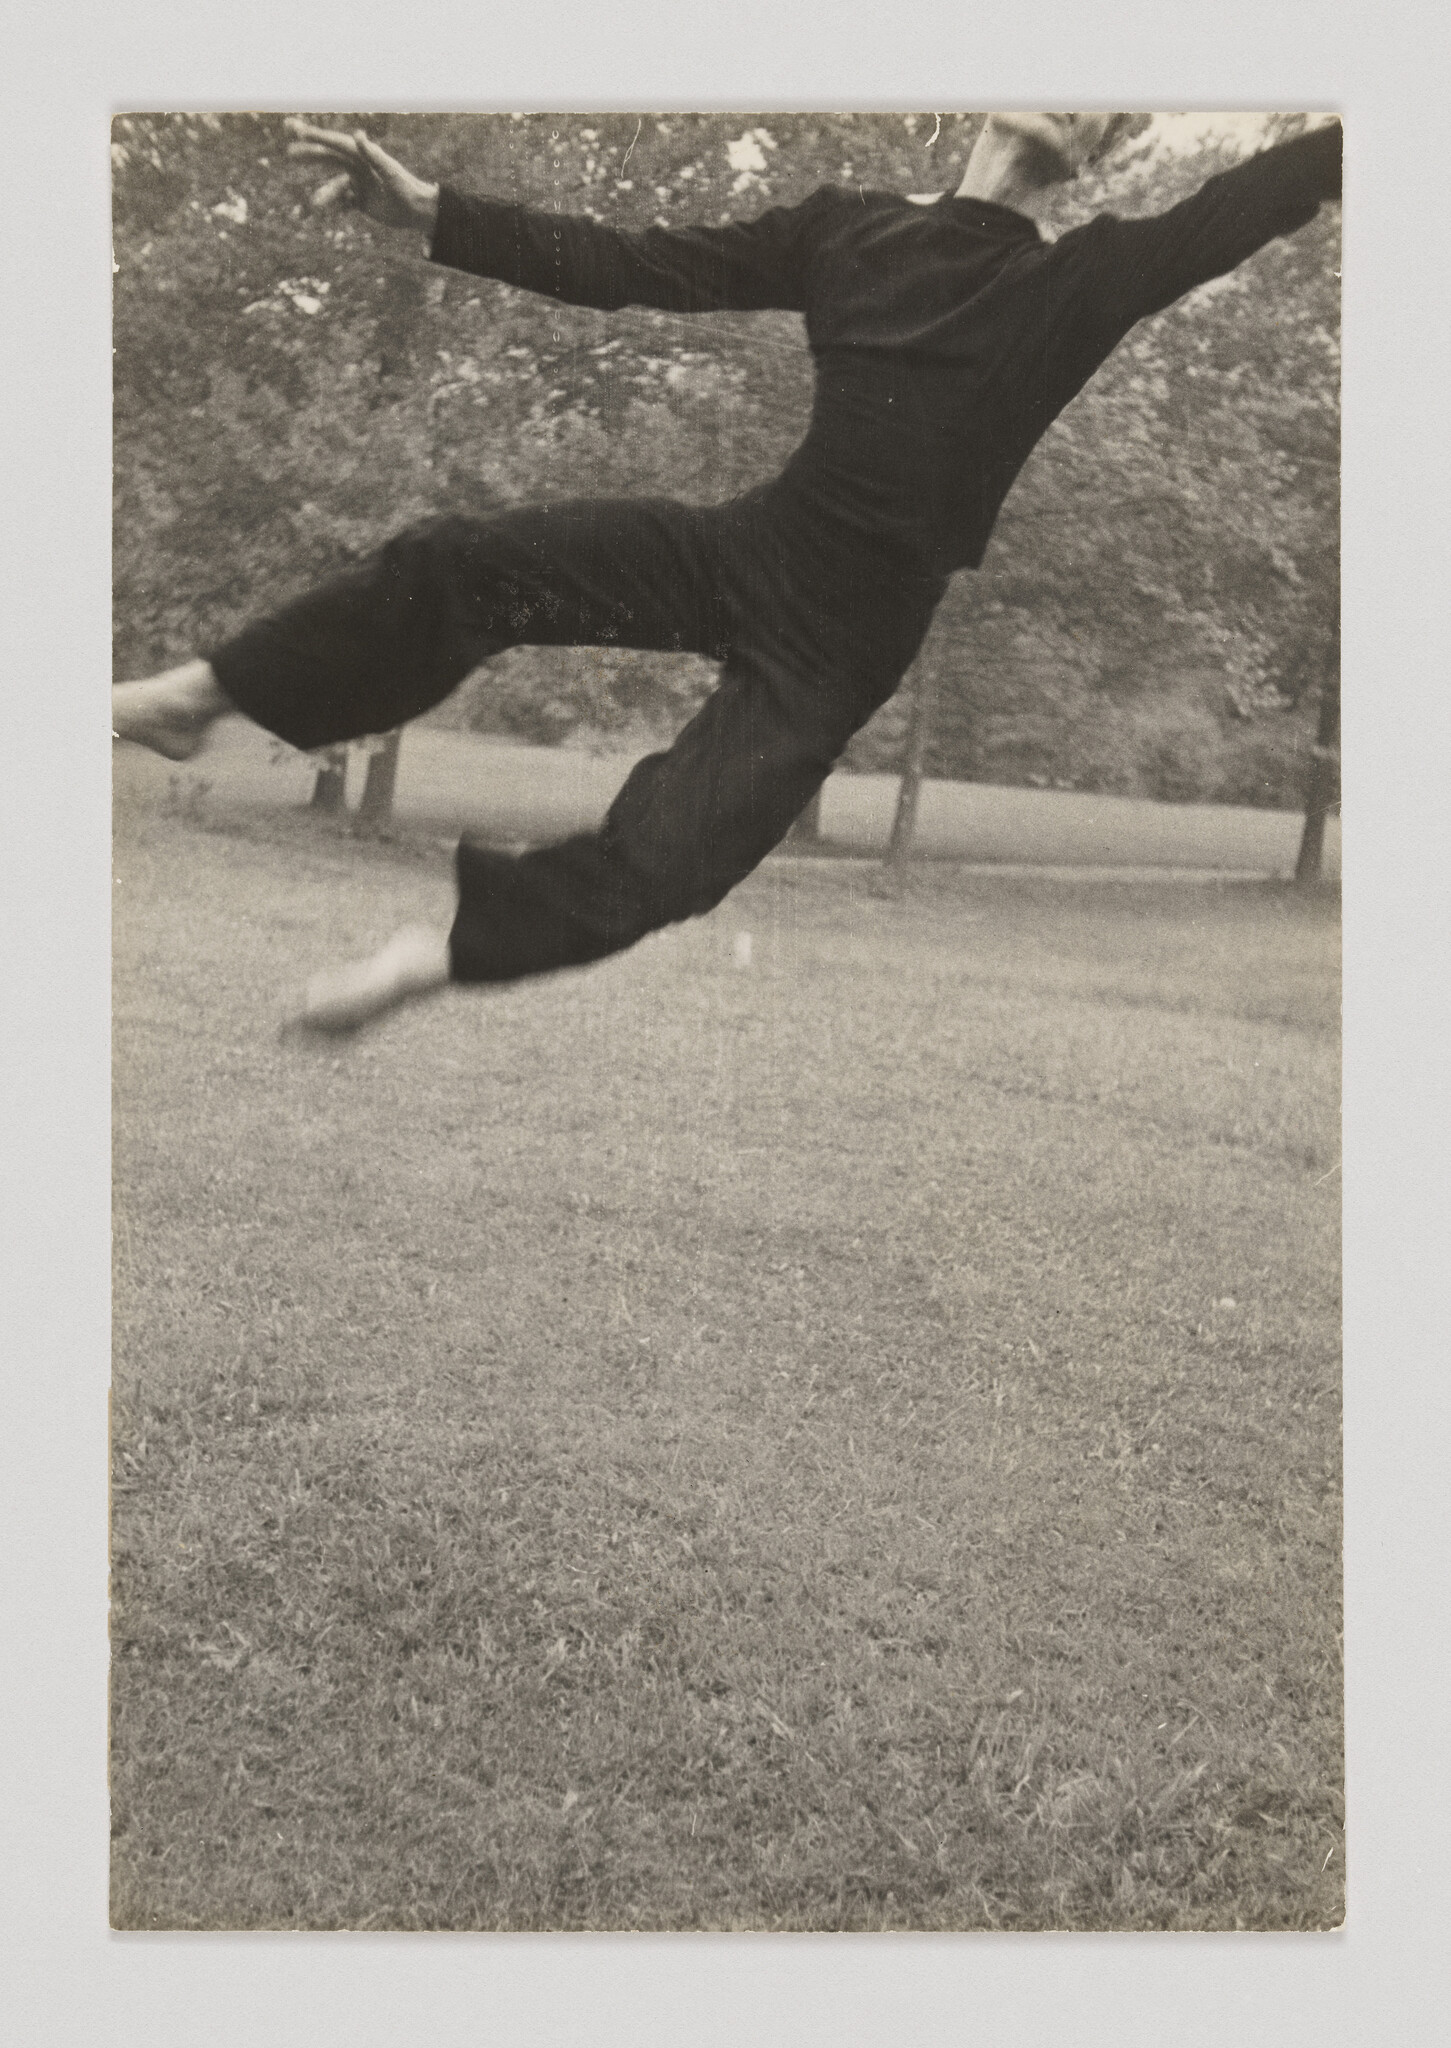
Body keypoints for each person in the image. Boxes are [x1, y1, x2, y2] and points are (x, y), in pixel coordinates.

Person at [112, 112, 1343, 1032]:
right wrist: (427, 208)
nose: (1084, 97)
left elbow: (1257, 196)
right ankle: (201, 698)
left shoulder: (1083, 280)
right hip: (751, 551)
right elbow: (640, 265)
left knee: (674, 853)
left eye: (1113, 102)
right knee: (467, 560)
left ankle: (424, 963)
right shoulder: (846, 228)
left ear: (1106, 148)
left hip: (841, 647)